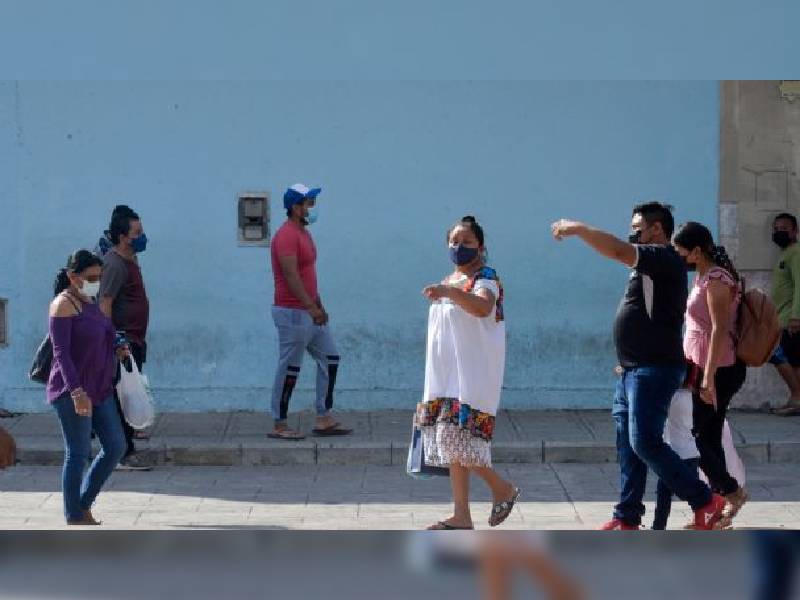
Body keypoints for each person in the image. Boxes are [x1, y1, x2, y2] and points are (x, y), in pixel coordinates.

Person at [551, 202, 727, 530]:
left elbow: (618, 250)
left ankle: (705, 500)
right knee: (628, 446)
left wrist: (577, 228)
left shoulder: (664, 258)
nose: (633, 233)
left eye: (637, 227)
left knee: (645, 442)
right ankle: (627, 516)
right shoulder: (650, 266)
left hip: (654, 369)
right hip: (632, 370)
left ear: (656, 229)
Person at [418, 215, 519, 530]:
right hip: (445, 377)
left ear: (481, 246)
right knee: (451, 445)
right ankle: (461, 515)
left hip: (472, 376)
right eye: (454, 242)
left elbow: (482, 307)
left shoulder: (484, 277)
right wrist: (447, 291)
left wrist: (450, 294)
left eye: (466, 242)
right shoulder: (448, 281)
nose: (459, 247)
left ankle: (502, 488)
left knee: (458, 439)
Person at [672, 221, 749, 524]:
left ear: (697, 251)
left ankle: (730, 493)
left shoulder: (717, 278)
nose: (678, 257)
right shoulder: (704, 275)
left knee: (694, 438)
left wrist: (707, 377)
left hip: (717, 368)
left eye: (681, 252)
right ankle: (721, 505)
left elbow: (718, 329)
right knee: (710, 436)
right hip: (701, 365)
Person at [47, 250, 128, 525]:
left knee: (116, 446)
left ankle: (82, 503)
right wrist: (77, 393)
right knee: (78, 452)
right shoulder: (63, 305)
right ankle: (74, 514)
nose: (96, 282)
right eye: (91, 277)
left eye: (99, 277)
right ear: (73, 277)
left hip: (100, 388)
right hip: (74, 391)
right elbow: (61, 353)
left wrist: (117, 345)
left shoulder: (90, 301)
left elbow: (104, 332)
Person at [268, 183, 351, 440]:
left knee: (330, 358)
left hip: (310, 310)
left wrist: (319, 306)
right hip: (292, 312)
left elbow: (308, 274)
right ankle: (280, 423)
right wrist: (309, 306)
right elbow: (292, 276)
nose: (312, 208)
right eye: (308, 203)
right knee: (290, 368)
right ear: (295, 207)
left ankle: (323, 417)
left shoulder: (303, 233)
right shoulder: (285, 236)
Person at [98, 205, 153, 470]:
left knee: (130, 395)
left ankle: (125, 447)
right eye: (137, 232)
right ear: (123, 237)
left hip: (134, 340)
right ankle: (122, 453)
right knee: (123, 398)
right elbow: (105, 303)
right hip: (123, 342)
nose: (142, 236)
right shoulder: (115, 264)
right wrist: (114, 341)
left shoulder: (130, 260)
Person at [651, 389, 700, 530]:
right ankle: (706, 519)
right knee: (693, 493)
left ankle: (658, 526)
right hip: (689, 453)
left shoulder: (673, 397)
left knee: (665, 496)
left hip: (675, 456)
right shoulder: (692, 396)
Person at [768, 213, 800, 416]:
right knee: (793, 360)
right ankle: (796, 399)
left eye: (784, 228)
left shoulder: (796, 253)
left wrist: (796, 316)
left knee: (779, 356)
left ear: (795, 231)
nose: (779, 232)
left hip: (791, 319)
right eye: (776, 228)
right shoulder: (785, 253)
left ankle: (796, 397)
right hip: (782, 318)